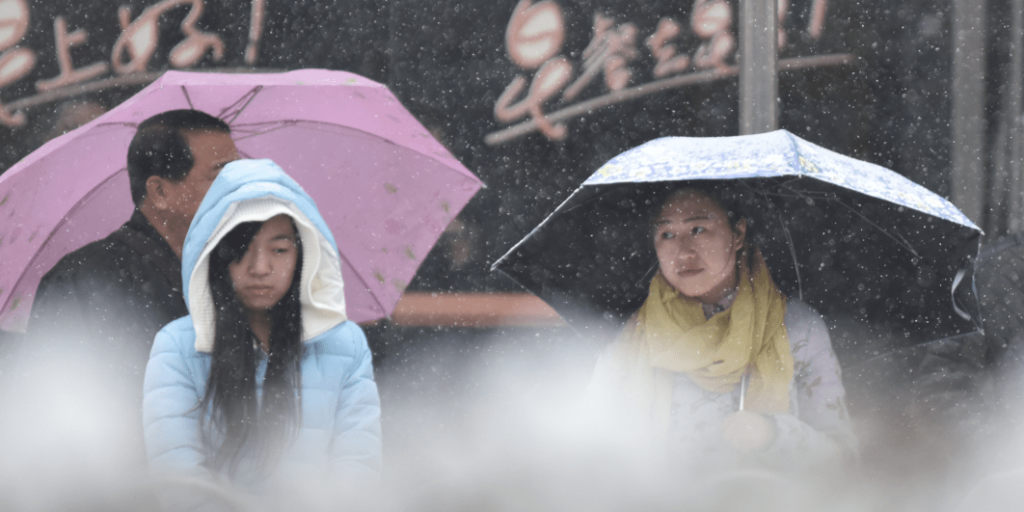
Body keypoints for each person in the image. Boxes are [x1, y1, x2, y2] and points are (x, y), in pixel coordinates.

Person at [142, 159, 381, 500]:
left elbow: (357, 469)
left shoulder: (345, 344)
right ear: (216, 255)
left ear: (303, 255)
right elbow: (179, 480)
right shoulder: (177, 347)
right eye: (241, 250)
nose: (260, 268)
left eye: (279, 250)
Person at [589, 187, 856, 472]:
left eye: (698, 229)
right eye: (666, 234)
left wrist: (773, 434)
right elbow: (590, 453)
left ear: (738, 233)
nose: (684, 252)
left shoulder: (797, 328)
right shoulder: (634, 337)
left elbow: (842, 463)